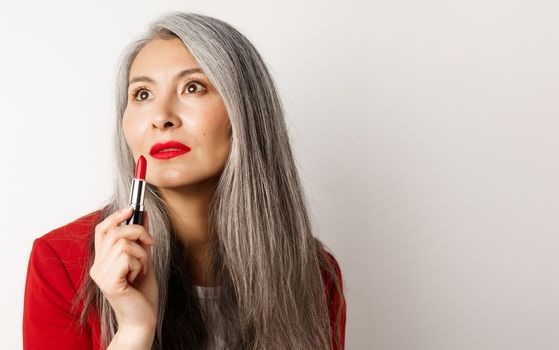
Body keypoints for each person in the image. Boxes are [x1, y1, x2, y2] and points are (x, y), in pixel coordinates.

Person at [22, 11, 346, 350]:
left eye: (193, 87)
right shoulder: (61, 262)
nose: (161, 117)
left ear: (245, 113)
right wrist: (134, 329)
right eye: (143, 94)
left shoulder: (313, 274)